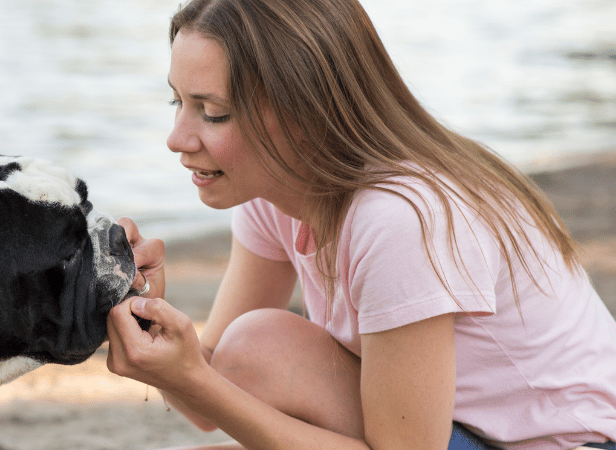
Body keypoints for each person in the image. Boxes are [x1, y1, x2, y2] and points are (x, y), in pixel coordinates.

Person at [106, 0, 616, 448]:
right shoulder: (269, 191)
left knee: (259, 346)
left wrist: (195, 376)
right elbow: (213, 390)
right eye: (178, 101)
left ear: (304, 111)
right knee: (250, 358)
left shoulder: (401, 217)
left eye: (212, 112)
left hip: (572, 443)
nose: (176, 138)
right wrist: (146, 309)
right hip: (450, 435)